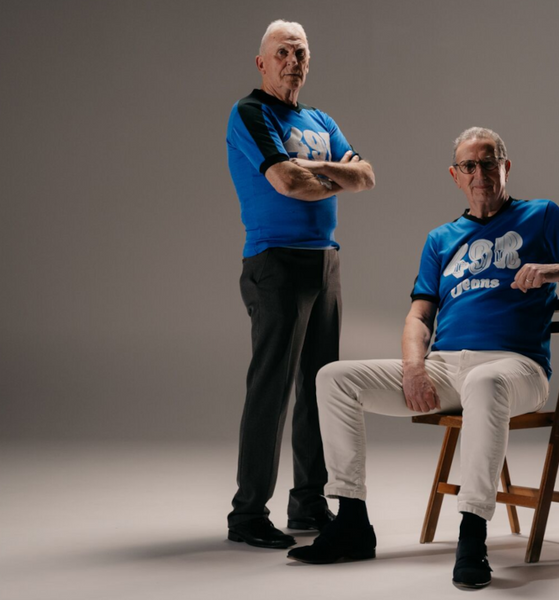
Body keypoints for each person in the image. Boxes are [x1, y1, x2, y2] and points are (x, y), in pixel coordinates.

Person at [287, 127, 559, 589]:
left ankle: (472, 533)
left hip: (516, 367)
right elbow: (419, 316)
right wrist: (414, 366)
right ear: (455, 175)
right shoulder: (441, 239)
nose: (480, 173)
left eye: (489, 162)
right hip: (445, 367)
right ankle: (351, 522)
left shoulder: (542, 216)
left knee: (484, 383)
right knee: (333, 377)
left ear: (506, 167)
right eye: (469, 165)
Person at [224, 20, 376, 549]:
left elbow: (367, 175)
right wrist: (333, 173)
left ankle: (308, 502)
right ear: (262, 62)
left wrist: (309, 167)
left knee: (320, 386)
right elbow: (285, 181)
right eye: (283, 52)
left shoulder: (321, 119)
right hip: (275, 261)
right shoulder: (250, 112)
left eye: (301, 53)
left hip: (325, 262)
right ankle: (247, 514)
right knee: (271, 388)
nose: (293, 61)